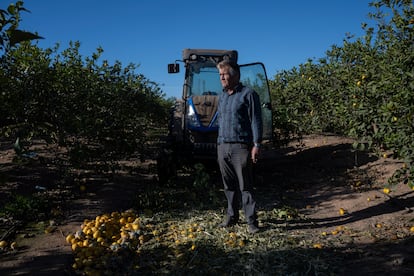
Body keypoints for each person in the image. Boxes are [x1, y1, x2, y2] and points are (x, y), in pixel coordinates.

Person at [216, 60, 263, 234]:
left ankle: (251, 221)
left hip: (241, 147)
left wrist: (256, 144)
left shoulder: (248, 94)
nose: (221, 77)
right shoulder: (222, 96)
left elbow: (255, 121)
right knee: (228, 185)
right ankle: (231, 216)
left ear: (235, 75)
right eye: (220, 74)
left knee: (245, 186)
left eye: (225, 74)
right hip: (223, 146)